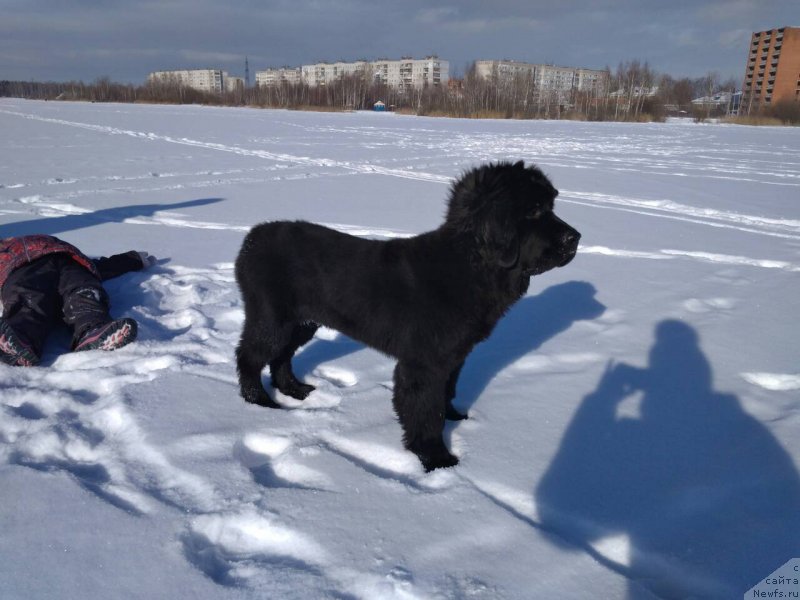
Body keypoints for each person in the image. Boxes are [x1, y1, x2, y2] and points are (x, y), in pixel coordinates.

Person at [0, 234, 156, 366]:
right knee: (28, 298)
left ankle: (93, 329)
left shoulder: (37, 242)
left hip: (70, 263)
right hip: (24, 270)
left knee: (84, 290)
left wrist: (132, 259)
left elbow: (104, 265)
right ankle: (19, 337)